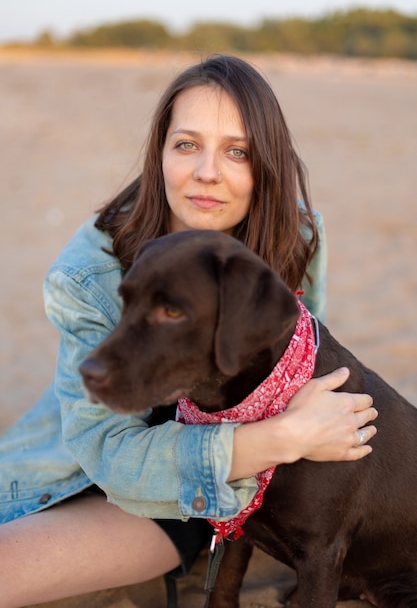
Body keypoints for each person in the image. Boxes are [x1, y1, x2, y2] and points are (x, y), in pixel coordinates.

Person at [0, 54, 377, 607]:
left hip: (228, 494)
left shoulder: (292, 234)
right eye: (186, 144)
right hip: (119, 476)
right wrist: (281, 438)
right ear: (160, 154)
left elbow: (294, 364)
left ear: (264, 165)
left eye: (237, 151)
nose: (207, 172)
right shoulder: (92, 271)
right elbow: (109, 454)